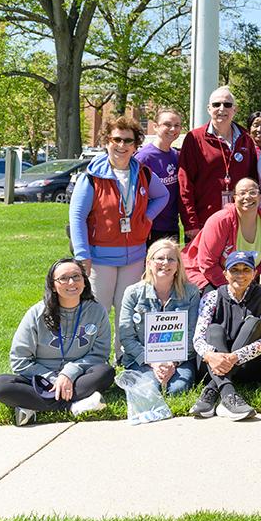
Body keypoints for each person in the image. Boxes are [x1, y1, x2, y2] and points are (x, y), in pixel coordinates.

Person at [0, 259, 114, 426]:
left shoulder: (97, 311)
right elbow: (20, 360)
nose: (71, 282)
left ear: (84, 281)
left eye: (76, 276)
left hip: (78, 377)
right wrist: (54, 379)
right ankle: (73, 406)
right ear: (53, 285)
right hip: (41, 379)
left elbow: (100, 354)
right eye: (63, 278)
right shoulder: (36, 314)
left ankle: (33, 406)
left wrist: (68, 373)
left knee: (105, 372)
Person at [69, 116, 168, 323]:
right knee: (98, 314)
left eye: (128, 141)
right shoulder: (91, 177)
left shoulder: (143, 173)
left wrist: (145, 219)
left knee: (129, 314)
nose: (122, 145)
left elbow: (163, 195)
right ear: (107, 142)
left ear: (135, 146)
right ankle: (97, 356)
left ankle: (124, 356)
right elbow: (77, 216)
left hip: (134, 257)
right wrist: (82, 254)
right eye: (116, 139)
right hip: (99, 259)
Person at [189, 251, 261, 421]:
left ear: (254, 273)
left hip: (247, 366)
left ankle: (212, 391)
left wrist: (234, 357)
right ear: (225, 274)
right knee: (214, 329)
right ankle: (228, 394)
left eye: (246, 270)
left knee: (253, 323)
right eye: (235, 270)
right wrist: (211, 356)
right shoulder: (212, 297)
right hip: (211, 365)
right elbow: (198, 338)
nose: (240, 275)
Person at [118, 238, 200, 395]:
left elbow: (192, 334)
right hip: (141, 358)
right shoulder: (133, 293)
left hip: (180, 359)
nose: (166, 263)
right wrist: (154, 362)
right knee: (150, 390)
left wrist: (173, 362)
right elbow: (126, 336)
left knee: (178, 389)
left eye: (171, 259)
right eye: (160, 258)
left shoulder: (191, 292)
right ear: (149, 263)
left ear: (178, 265)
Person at [178, 87, 260, 236]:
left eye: (227, 105)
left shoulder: (246, 139)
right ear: (209, 109)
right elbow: (185, 183)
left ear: (235, 109)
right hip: (204, 222)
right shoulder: (195, 138)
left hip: (239, 221)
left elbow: (253, 179)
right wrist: (190, 222)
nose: (221, 109)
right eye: (216, 104)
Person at [181, 178, 261, 291]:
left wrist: (246, 282)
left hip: (243, 279)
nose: (247, 197)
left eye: (253, 192)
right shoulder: (220, 221)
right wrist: (232, 289)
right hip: (203, 274)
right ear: (234, 198)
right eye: (242, 193)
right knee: (217, 302)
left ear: (260, 196)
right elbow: (207, 264)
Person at [135, 107, 183, 245]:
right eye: (167, 125)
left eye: (177, 125)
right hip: (150, 226)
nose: (173, 129)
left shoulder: (176, 156)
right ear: (155, 127)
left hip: (172, 225)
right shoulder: (144, 157)